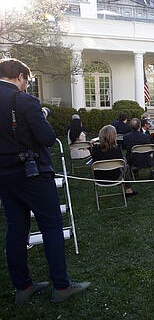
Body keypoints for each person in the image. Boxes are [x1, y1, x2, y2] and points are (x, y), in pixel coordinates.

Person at [0, 58, 90, 304]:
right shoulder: (24, 100)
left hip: (4, 176)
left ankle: (23, 286)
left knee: (16, 230)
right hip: (32, 173)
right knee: (51, 227)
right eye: (27, 81)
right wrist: (40, 118)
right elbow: (48, 138)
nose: (27, 86)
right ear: (20, 76)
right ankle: (61, 285)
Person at [91, 125, 137, 196]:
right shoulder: (117, 150)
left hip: (99, 178)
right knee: (125, 165)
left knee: (124, 162)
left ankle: (128, 189)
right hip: (115, 177)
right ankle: (128, 189)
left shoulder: (95, 149)